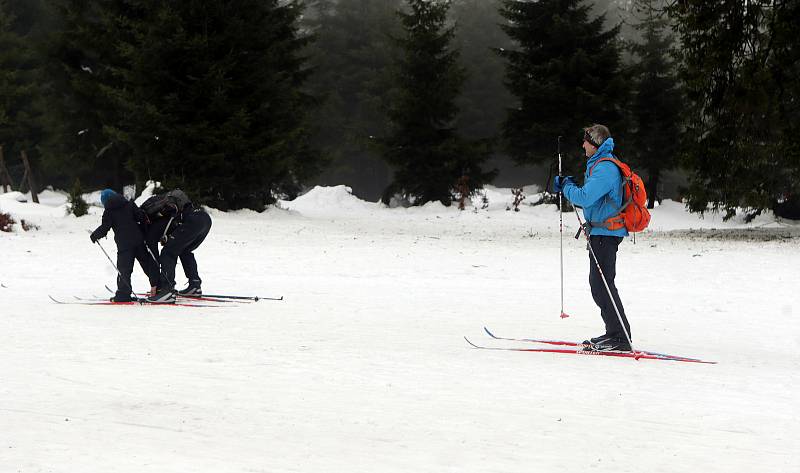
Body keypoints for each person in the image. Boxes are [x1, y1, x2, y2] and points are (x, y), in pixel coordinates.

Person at [553, 124, 632, 352]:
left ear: (595, 143)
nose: (583, 144)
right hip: (600, 233)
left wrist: (567, 187)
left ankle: (620, 337)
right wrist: (568, 186)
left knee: (602, 286)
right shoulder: (599, 165)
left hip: (605, 235)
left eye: (586, 141)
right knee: (600, 285)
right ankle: (615, 333)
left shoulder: (605, 168)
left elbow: (585, 198)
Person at [90, 189, 160, 302]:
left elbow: (105, 228)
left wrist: (95, 235)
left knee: (125, 269)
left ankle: (123, 294)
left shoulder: (109, 211)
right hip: (138, 241)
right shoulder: (129, 204)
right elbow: (141, 217)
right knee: (147, 264)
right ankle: (159, 287)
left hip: (124, 245)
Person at [147, 189, 212, 303]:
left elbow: (155, 254)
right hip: (205, 219)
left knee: (167, 252)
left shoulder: (152, 224)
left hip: (193, 221)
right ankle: (195, 285)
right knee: (184, 250)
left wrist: (157, 283)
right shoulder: (176, 209)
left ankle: (167, 291)